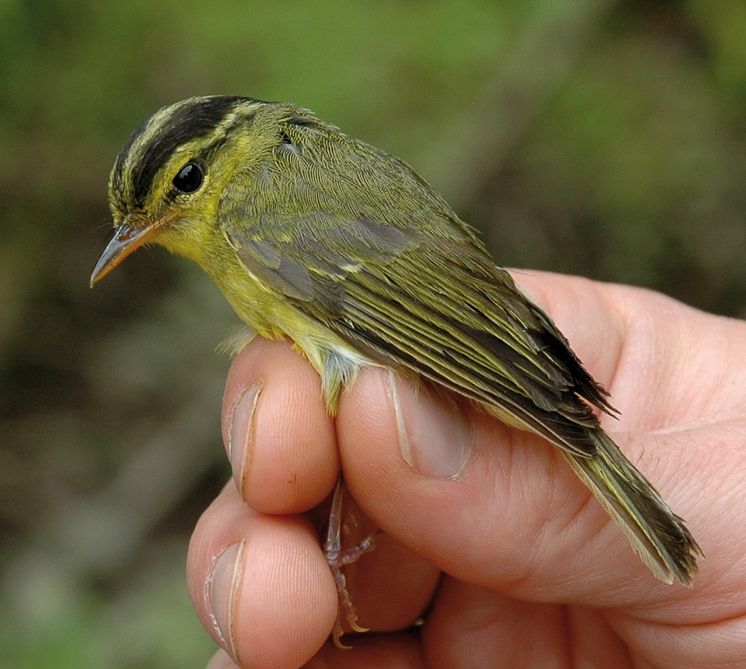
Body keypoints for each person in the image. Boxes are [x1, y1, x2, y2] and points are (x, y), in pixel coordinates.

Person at [185, 271, 746, 668]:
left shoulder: (251, 222)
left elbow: (395, 317)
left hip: (443, 338)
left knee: (342, 427)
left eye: (183, 185)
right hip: (465, 331)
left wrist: (534, 394)